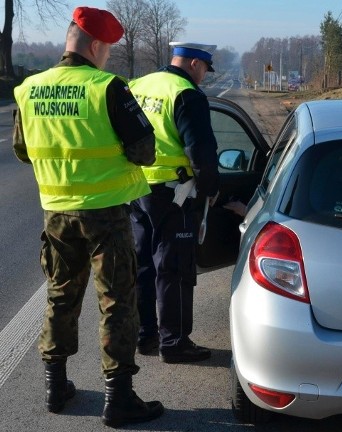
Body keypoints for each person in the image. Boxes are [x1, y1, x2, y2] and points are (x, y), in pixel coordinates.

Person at [12, 6, 164, 428]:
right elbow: (144, 151)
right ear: (95, 45)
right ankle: (119, 399)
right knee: (116, 301)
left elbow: (22, 151)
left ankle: (55, 387)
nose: (108, 58)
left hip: (56, 212)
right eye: (108, 51)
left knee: (61, 293)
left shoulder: (28, 89)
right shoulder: (107, 88)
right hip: (106, 213)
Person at [128, 42, 220, 364]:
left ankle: (145, 336)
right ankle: (175, 343)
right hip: (174, 196)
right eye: (206, 69)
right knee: (174, 270)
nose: (205, 77)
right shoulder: (187, 93)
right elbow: (201, 152)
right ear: (195, 63)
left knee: (143, 265)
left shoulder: (138, 85)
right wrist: (210, 189)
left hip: (136, 190)